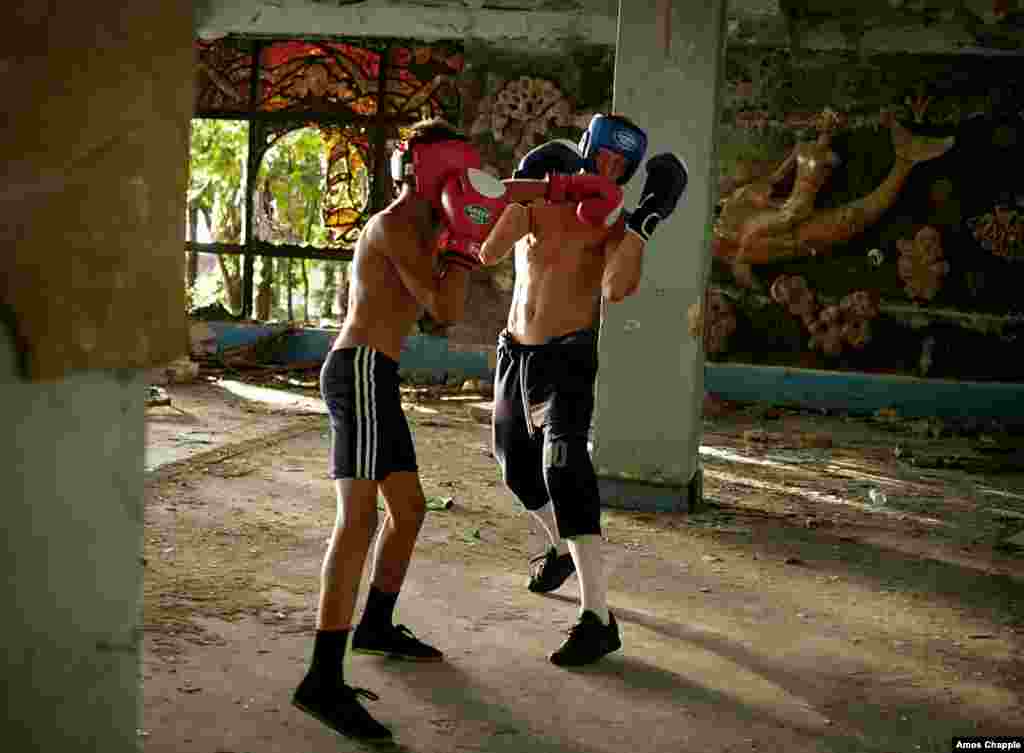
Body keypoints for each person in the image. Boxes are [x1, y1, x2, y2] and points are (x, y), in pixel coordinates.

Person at [290, 118, 617, 741]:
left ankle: (377, 625)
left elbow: (505, 200)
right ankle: (322, 680)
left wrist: (561, 190)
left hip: (378, 377)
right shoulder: (393, 227)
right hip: (356, 370)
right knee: (356, 521)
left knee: (408, 511)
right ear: (430, 170)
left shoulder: (430, 221)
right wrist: (463, 242)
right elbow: (444, 308)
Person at [478, 114, 688, 666]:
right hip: (515, 352)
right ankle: (558, 548)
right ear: (587, 151)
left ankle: (598, 617)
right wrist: (526, 187)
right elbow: (489, 252)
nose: (610, 170)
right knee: (513, 467)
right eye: (605, 158)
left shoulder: (612, 226)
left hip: (567, 357)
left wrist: (641, 225)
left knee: (563, 467)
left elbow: (616, 290)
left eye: (623, 167)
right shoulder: (540, 202)